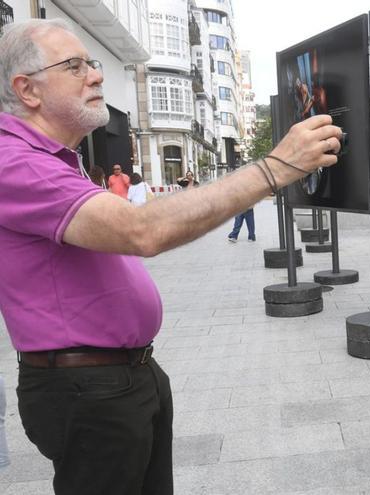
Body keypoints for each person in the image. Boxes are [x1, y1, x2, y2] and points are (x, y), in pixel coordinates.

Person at [0, 19, 342, 495]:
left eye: (92, 64)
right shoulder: (15, 162)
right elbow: (143, 229)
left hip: (122, 376)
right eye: (75, 66)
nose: (95, 75)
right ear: (27, 90)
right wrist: (275, 167)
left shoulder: (59, 158)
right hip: (87, 390)